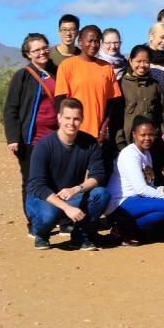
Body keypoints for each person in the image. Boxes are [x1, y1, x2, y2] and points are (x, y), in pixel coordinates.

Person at [25, 98, 108, 251]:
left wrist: (76, 189)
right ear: (59, 118)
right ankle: (41, 234)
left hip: (70, 195)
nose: (71, 123)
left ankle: (80, 236)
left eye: (76, 119)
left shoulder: (90, 143)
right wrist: (66, 208)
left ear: (82, 119)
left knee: (101, 194)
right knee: (47, 216)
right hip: (42, 197)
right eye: (67, 118)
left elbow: (98, 175)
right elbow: (38, 185)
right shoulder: (44, 145)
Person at [4, 34, 59, 222]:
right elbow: (11, 108)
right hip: (31, 139)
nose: (42, 52)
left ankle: (55, 218)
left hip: (55, 137)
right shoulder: (22, 76)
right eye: (36, 50)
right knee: (31, 180)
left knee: (54, 179)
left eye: (44, 47)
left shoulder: (56, 72)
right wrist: (13, 138)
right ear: (28, 54)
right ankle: (33, 221)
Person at [106, 117, 164, 245]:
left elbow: (148, 183)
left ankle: (125, 229)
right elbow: (141, 189)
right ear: (134, 134)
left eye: (151, 134)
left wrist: (162, 189)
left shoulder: (145, 153)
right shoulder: (130, 154)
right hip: (120, 203)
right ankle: (122, 227)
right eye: (143, 134)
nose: (147, 138)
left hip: (135, 200)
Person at [54, 25, 121, 146]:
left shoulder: (107, 68)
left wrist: (104, 128)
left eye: (97, 41)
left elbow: (113, 103)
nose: (94, 45)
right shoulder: (66, 66)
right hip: (74, 134)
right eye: (90, 40)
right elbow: (60, 101)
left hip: (98, 137)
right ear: (80, 41)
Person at [116, 45, 164, 150]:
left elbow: (163, 112)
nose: (142, 65)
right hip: (128, 143)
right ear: (130, 61)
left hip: (152, 143)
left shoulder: (155, 85)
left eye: (146, 62)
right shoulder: (121, 84)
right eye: (138, 61)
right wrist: (120, 143)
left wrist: (160, 133)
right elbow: (116, 118)